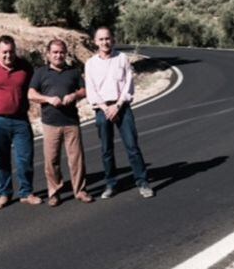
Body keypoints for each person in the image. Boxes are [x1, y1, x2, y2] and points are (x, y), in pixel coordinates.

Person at [0, 35, 42, 209]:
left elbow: (32, 89)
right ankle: (4, 193)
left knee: (25, 158)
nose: (8, 55)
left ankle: (26, 192)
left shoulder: (24, 67)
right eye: (4, 52)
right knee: (1, 160)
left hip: (20, 121)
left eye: (11, 52)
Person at [84, 27, 154, 199]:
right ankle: (111, 184)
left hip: (122, 107)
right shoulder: (90, 64)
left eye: (107, 38)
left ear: (113, 40)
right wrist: (105, 107)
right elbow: (91, 89)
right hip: (102, 110)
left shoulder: (122, 59)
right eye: (100, 39)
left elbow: (128, 84)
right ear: (95, 42)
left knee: (132, 146)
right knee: (106, 149)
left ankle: (143, 182)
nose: (104, 42)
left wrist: (118, 104)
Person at [28, 39, 94, 207]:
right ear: (48, 54)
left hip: (71, 122)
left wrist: (74, 95)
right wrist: (48, 99)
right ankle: (54, 192)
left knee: (76, 159)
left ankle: (80, 190)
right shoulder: (41, 72)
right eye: (55, 52)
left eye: (61, 52)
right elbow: (31, 94)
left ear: (65, 53)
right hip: (50, 123)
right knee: (51, 160)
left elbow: (84, 90)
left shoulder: (73, 71)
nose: (58, 55)